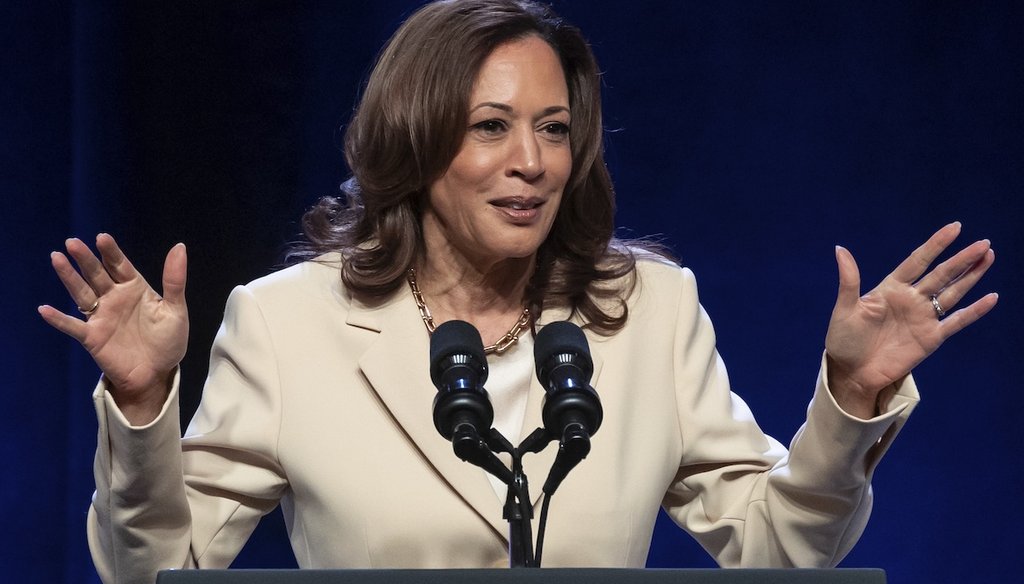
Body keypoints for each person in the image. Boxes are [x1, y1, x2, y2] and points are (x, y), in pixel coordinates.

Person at [39, 1, 998, 583]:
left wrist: (852, 401)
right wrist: (139, 406)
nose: (532, 163)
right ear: (417, 145)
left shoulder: (651, 313)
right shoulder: (288, 323)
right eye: (492, 126)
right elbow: (155, 570)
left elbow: (781, 552)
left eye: (553, 127)